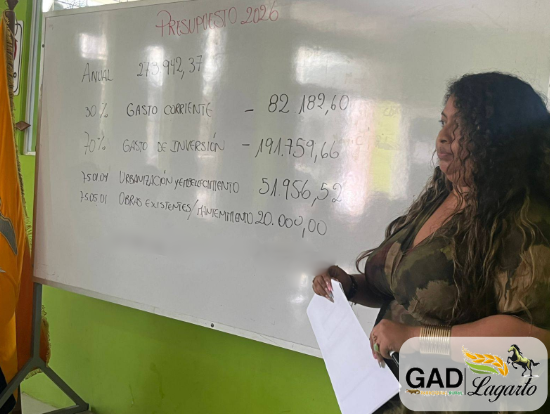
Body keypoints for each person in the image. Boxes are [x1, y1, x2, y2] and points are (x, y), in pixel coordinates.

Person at [312, 72, 550, 413]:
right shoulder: (440, 198)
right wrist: (348, 286)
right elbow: (399, 291)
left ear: (503, 136)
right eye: (444, 122)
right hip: (386, 397)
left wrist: (414, 339)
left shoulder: (525, 221)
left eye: (462, 126)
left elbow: (532, 337)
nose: (443, 136)